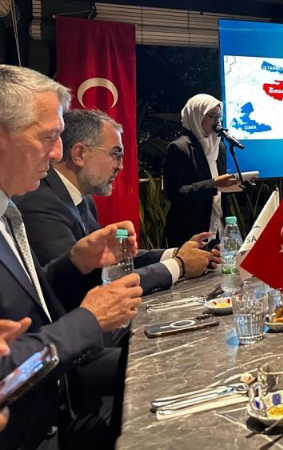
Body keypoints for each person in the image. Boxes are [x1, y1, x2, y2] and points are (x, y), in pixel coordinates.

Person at [0, 64, 142, 449]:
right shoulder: (31, 204)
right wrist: (89, 320)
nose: (57, 153)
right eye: (48, 137)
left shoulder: (9, 211)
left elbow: (30, 309)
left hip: (57, 408)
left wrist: (73, 264)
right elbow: (7, 368)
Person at [15, 109, 220, 295]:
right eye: (115, 154)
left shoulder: (80, 198)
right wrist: (179, 265)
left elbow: (110, 259)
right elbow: (82, 286)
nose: (120, 166)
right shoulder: (40, 203)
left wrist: (176, 253)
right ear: (79, 154)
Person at [163, 94, 238, 247]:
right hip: (190, 231)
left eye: (219, 116)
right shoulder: (179, 148)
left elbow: (220, 189)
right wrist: (214, 184)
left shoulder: (220, 147)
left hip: (219, 227)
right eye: (212, 116)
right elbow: (175, 193)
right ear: (197, 115)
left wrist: (237, 183)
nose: (217, 121)